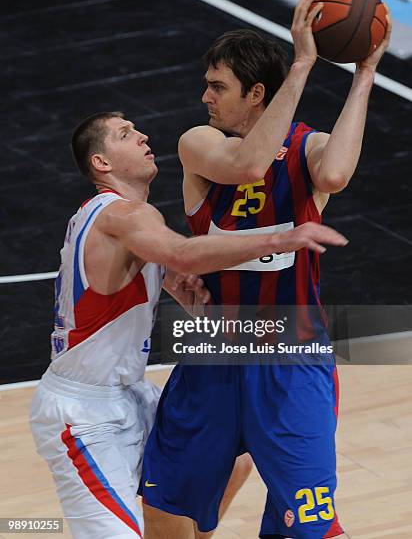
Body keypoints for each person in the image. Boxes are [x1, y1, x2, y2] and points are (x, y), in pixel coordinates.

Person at [141, 0, 392, 538]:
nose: (204, 96)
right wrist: (301, 66)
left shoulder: (307, 149)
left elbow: (336, 175)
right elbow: (248, 163)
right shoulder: (200, 143)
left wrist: (364, 73)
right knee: (165, 514)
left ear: (255, 93)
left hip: (290, 350)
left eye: (218, 86)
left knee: (310, 527)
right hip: (215, 348)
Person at [29, 110, 347, 539]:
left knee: (233, 448)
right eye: (125, 134)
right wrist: (280, 238)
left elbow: (165, 271)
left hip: (129, 396)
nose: (142, 135)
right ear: (102, 163)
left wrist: (180, 289)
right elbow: (182, 255)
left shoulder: (118, 218)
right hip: (83, 415)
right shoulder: (123, 216)